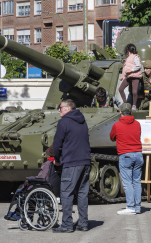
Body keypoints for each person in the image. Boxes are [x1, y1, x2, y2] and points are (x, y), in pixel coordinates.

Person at [52, 99, 91, 233]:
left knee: (66, 193)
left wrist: (57, 159)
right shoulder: (83, 120)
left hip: (72, 162)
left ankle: (67, 225)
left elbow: (57, 144)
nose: (59, 110)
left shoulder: (64, 122)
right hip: (85, 161)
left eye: (60, 107)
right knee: (82, 193)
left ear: (68, 108)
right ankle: (83, 223)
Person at [110, 103, 143, 215]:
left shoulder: (117, 125)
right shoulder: (138, 124)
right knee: (137, 181)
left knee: (128, 182)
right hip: (138, 154)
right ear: (131, 112)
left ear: (120, 112)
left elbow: (112, 138)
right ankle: (138, 207)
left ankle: (131, 207)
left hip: (126, 155)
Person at [118, 44, 142, 110]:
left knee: (134, 91)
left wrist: (131, 70)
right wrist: (123, 76)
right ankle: (125, 103)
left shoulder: (135, 57)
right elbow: (125, 68)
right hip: (128, 77)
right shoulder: (128, 58)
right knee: (120, 89)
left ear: (128, 51)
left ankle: (134, 105)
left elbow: (138, 66)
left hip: (135, 76)